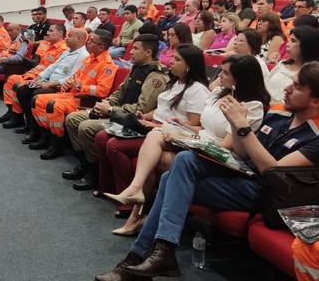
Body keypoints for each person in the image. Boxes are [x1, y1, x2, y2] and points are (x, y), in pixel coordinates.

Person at [95, 62, 319, 281]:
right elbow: (242, 154)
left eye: (298, 86)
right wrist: (234, 124)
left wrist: (242, 126)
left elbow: (274, 172)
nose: (287, 88)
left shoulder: (315, 137)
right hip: (243, 177)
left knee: (171, 177)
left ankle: (145, 254)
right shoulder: (278, 116)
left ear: (316, 100)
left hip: (265, 196)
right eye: (292, 82)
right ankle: (152, 252)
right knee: (178, 167)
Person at [104, 55, 268, 237]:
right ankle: (136, 193)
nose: (220, 75)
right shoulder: (219, 93)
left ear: (241, 79)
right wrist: (183, 125)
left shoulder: (251, 106)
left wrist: (188, 140)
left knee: (154, 159)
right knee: (155, 135)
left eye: (226, 73)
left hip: (218, 157)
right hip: (199, 140)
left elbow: (226, 146)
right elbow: (205, 127)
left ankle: (136, 215)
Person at [63, 34, 169, 190]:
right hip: (117, 113)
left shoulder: (155, 76)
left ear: (148, 52)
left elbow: (142, 109)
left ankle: (94, 172)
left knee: (86, 127)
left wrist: (111, 109)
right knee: (72, 118)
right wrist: (106, 104)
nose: (131, 52)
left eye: (136, 49)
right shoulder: (137, 68)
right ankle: (85, 163)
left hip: (130, 120)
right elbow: (119, 93)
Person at [30, 29, 117, 160]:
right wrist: (69, 82)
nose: (88, 43)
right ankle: (47, 135)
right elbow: (76, 76)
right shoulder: (89, 59)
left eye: (92, 41)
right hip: (70, 94)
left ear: (101, 47)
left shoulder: (108, 66)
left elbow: (102, 91)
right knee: (37, 100)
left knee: (53, 105)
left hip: (83, 100)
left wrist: (81, 86)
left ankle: (57, 144)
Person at [13, 28, 89, 139]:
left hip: (60, 87)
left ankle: (40, 131)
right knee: (22, 90)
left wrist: (49, 84)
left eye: (69, 36)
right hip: (48, 82)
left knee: (36, 94)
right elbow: (51, 67)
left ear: (78, 39)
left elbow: (72, 78)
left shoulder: (83, 55)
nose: (66, 38)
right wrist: (37, 79)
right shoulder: (67, 51)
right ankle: (30, 124)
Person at [0, 24, 68, 128]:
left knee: (19, 85)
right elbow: (37, 62)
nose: (47, 33)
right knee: (10, 79)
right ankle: (13, 113)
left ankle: (28, 121)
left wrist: (37, 77)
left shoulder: (63, 49)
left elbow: (54, 71)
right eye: (48, 31)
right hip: (34, 73)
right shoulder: (46, 45)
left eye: (51, 31)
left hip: (42, 77)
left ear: (60, 33)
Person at [265, 26, 319, 104]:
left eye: (293, 41)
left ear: (306, 46)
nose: (287, 44)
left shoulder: (312, 74)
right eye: (289, 40)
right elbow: (264, 84)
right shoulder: (282, 63)